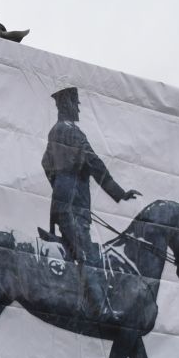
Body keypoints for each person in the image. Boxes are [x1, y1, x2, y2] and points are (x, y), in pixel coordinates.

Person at [41, 86, 140, 305]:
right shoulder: (73, 132)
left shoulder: (54, 131)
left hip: (62, 203)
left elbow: (45, 163)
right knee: (87, 255)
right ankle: (98, 307)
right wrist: (120, 193)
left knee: (75, 251)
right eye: (76, 104)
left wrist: (59, 185)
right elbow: (94, 163)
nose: (79, 109)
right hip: (75, 206)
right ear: (67, 104)